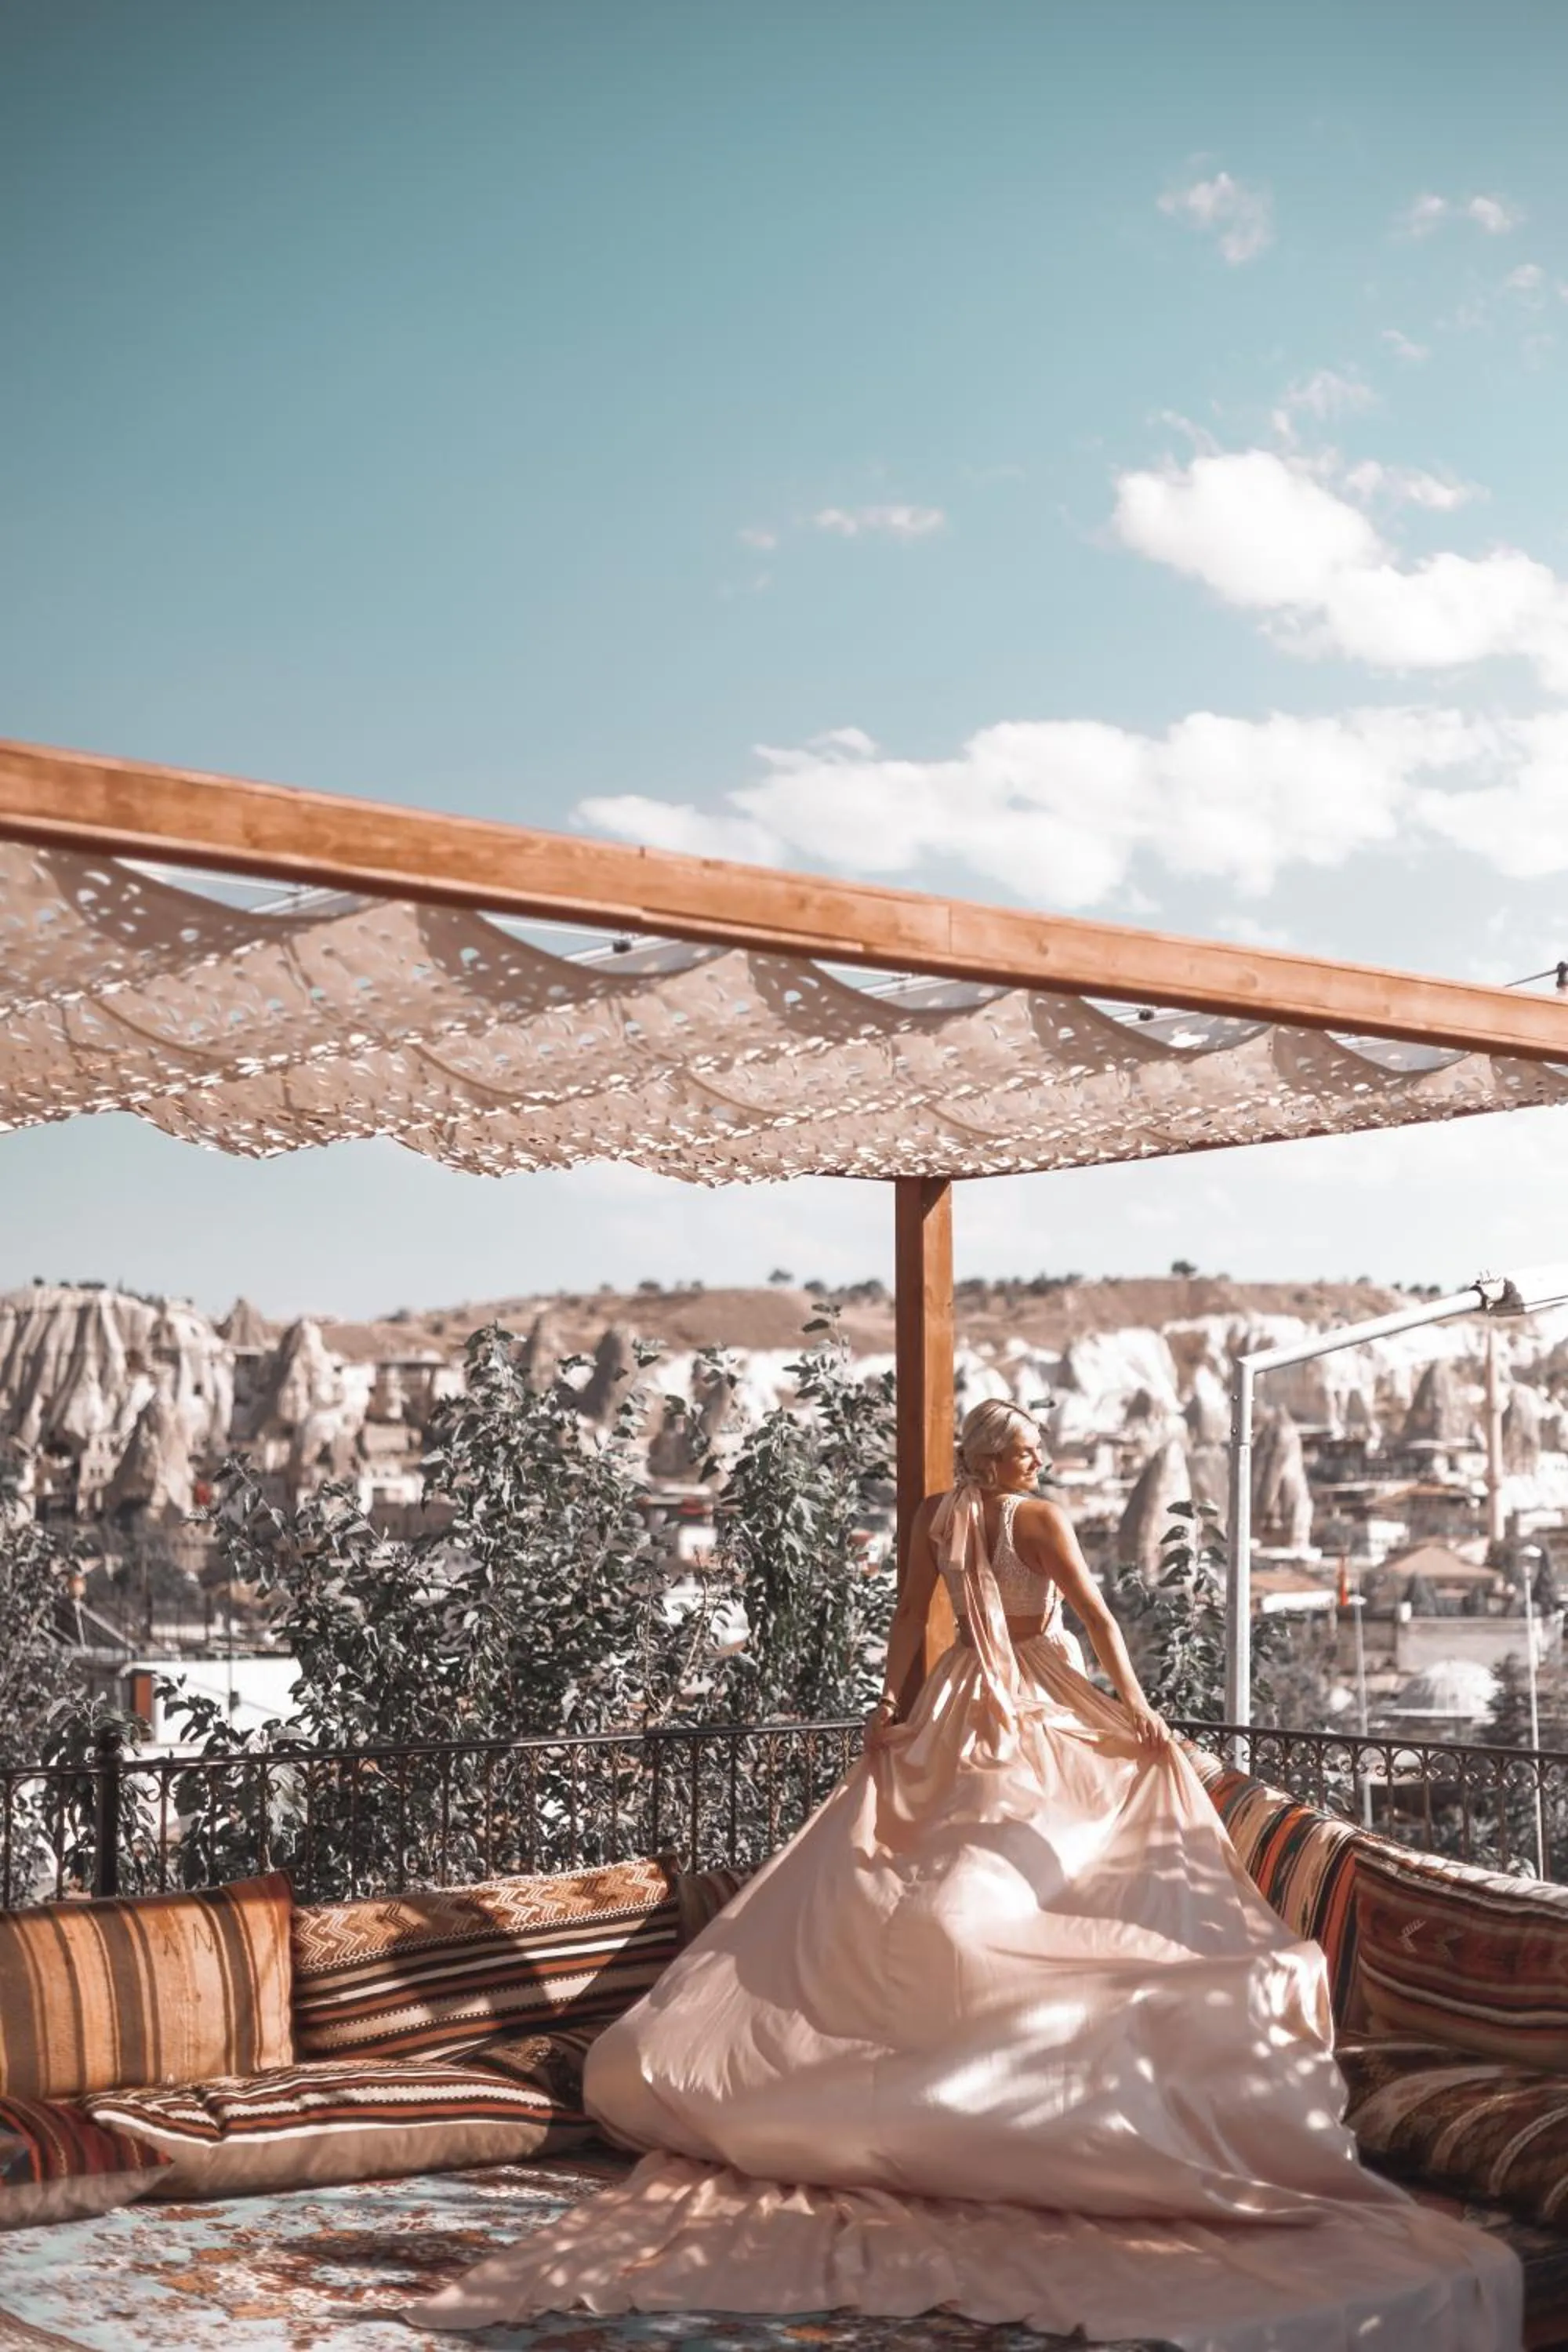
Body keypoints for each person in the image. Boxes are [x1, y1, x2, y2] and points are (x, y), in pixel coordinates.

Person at [421, 1399, 1520, 2351]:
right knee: (1033, 1870)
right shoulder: (1023, 1520)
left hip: (957, 1699)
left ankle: (949, 2064)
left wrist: (895, 1709)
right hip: (1027, 1698)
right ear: (998, 1458)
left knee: (923, 1880)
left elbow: (913, 1626)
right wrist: (1137, 1712)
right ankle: (999, 2074)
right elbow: (1087, 1620)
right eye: (1027, 1449)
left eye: (1037, 1451)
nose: (1039, 1462)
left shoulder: (938, 1515)